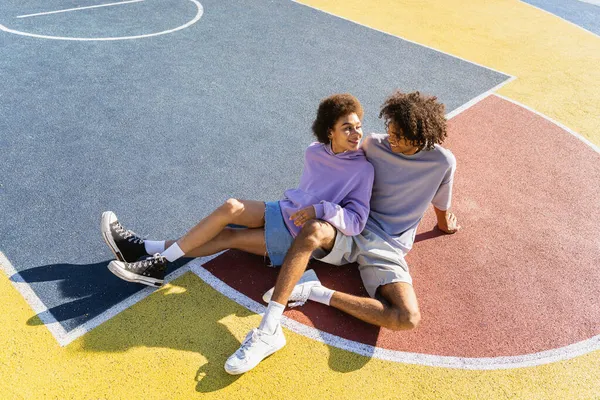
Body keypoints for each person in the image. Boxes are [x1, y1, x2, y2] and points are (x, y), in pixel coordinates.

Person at [229, 90, 459, 374]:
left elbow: (440, 202)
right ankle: (268, 329)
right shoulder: (374, 144)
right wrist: (310, 199)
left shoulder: (442, 162)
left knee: (407, 317)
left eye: (399, 135)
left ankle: (314, 290)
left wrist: (445, 223)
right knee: (312, 230)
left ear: (419, 137)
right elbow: (337, 162)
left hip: (387, 246)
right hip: (350, 228)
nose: (391, 138)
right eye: (390, 129)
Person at [100, 93, 374, 327]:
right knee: (231, 207)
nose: (356, 133)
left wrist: (320, 209)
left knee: (227, 237)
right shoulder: (314, 151)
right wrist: (306, 205)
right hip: (282, 210)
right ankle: (143, 250)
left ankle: (156, 260)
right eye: (347, 127)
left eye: (358, 127)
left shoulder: (362, 169)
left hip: (296, 235)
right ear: (330, 131)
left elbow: (357, 221)